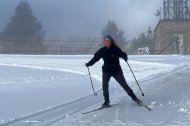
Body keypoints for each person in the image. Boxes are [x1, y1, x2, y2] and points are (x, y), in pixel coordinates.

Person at [85, 35, 142, 107]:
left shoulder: (115, 49)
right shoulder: (102, 50)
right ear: (104, 42)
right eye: (105, 41)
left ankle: (135, 98)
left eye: (108, 41)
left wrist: (125, 57)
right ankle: (106, 101)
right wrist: (89, 64)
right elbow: (95, 58)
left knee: (124, 85)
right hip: (106, 71)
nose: (107, 42)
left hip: (116, 70)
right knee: (105, 86)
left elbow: (122, 54)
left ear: (111, 41)